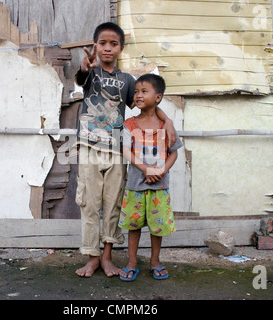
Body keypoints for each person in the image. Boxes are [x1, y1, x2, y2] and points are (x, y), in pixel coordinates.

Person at [74, 22, 177, 278]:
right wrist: (85, 67)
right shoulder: (91, 72)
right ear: (95, 46)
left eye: (113, 43)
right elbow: (80, 77)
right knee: (89, 204)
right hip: (89, 146)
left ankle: (107, 257)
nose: (107, 48)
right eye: (102, 43)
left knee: (113, 205)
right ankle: (92, 257)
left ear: (121, 48)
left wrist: (169, 120)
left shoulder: (127, 80)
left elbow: (145, 105)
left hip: (118, 149)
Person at [118, 73, 183, 281]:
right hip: (135, 185)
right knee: (134, 226)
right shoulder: (129, 124)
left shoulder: (166, 127)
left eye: (144, 91)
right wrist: (145, 168)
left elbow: (174, 152)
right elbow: (126, 151)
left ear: (158, 97)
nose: (138, 95)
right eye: (136, 91)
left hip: (159, 187)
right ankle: (132, 261)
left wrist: (161, 170)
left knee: (157, 226)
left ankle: (155, 261)